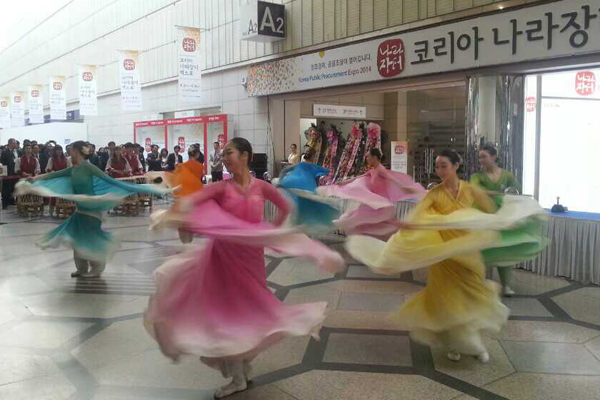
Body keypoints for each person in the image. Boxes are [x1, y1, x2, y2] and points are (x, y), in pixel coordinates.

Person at [145, 138, 344, 399]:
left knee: (250, 312)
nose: (224, 157)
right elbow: (193, 202)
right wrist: (172, 215)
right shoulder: (221, 188)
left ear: (245, 156)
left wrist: (267, 234)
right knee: (229, 315)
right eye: (223, 154)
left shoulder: (261, 187)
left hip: (251, 259)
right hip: (222, 259)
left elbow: (286, 207)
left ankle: (240, 367)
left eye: (229, 153)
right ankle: (238, 376)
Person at [346, 149, 547, 364]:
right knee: (448, 300)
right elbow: (419, 215)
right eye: (437, 166)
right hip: (444, 255)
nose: (440, 170)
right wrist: (408, 224)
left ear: (455, 166)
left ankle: (473, 342)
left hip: (468, 253)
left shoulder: (471, 190)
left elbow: (490, 214)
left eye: (444, 166)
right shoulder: (434, 194)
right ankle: (456, 344)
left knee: (472, 296)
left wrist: (504, 221)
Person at [16, 141, 172, 279]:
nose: (69, 152)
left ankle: (97, 267)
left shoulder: (88, 167)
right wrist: (34, 179)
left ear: (77, 151)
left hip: (92, 209)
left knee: (89, 239)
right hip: (80, 209)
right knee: (77, 239)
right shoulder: (73, 169)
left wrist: (138, 187)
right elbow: (53, 175)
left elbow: (110, 180)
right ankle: (81, 268)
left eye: (72, 150)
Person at [318, 148, 425, 239]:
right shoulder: (373, 171)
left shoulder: (381, 170)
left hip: (381, 206)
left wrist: (404, 187)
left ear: (374, 157)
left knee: (358, 220)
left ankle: (328, 225)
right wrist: (343, 183)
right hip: (373, 204)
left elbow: (393, 179)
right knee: (358, 221)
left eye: (368, 156)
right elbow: (358, 178)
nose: (367, 158)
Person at [470, 144, 523, 296]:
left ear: (493, 157)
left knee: (504, 249)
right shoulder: (477, 176)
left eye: (484, 156)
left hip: (503, 216)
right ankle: (482, 284)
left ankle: (506, 285)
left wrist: (499, 195)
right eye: (479, 157)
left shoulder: (507, 175)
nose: (481, 160)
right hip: (484, 216)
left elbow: (517, 190)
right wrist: (498, 193)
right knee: (484, 250)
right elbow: (474, 190)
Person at [275, 147, 340, 228]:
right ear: (314, 156)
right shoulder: (314, 167)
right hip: (309, 187)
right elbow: (327, 171)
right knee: (312, 206)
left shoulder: (299, 165)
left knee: (300, 206)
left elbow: (283, 171)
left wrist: (280, 181)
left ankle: (298, 224)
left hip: (295, 184)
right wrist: (334, 164)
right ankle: (307, 225)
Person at [1, 138, 19, 209]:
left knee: (13, 188)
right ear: (10, 144)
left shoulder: (17, 151)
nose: (16, 144)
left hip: (15, 173)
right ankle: (5, 204)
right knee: (6, 189)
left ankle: (11, 201)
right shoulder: (4, 152)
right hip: (7, 173)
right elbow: (3, 163)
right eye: (14, 143)